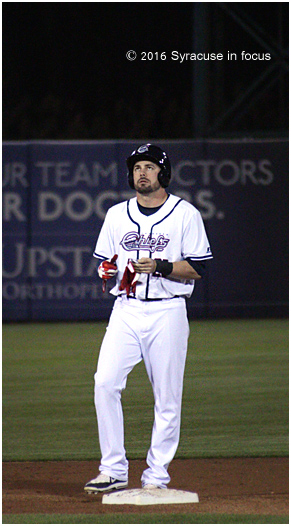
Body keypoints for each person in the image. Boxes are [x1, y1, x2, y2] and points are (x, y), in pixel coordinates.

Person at [84, 143, 213, 493]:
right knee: (105, 382)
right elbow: (106, 259)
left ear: (163, 173)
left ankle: (156, 477)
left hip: (167, 310)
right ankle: (113, 469)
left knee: (167, 399)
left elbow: (198, 268)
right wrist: (107, 269)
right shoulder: (116, 214)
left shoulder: (185, 214)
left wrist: (162, 266)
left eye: (150, 166)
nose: (142, 172)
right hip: (125, 309)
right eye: (137, 167)